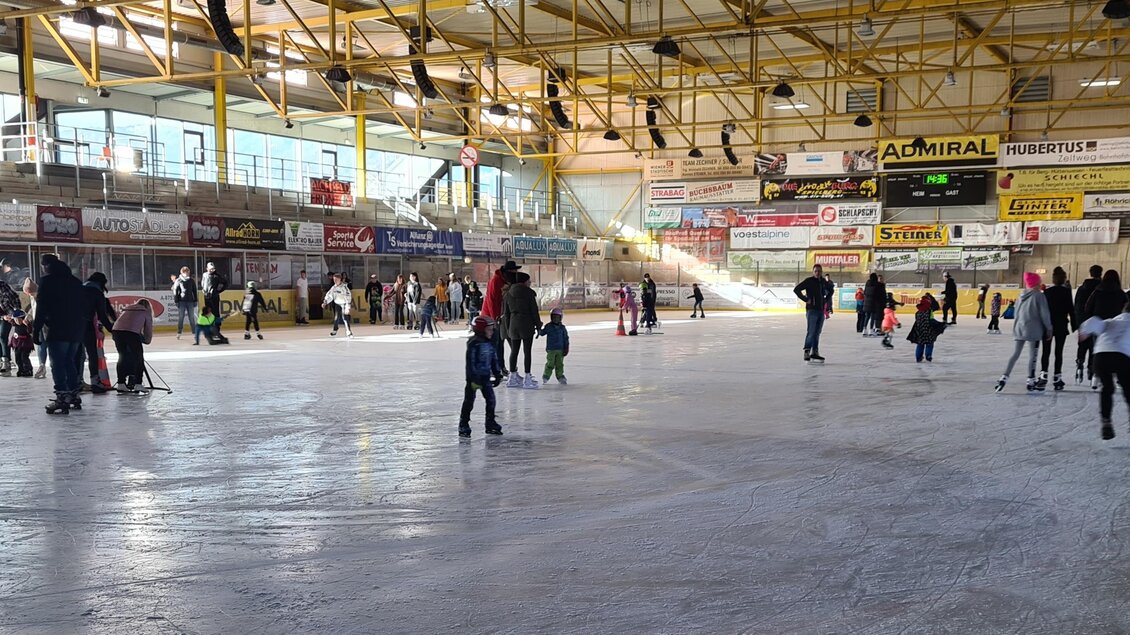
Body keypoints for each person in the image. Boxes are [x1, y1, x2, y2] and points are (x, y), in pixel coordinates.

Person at [33, 254, 86, 414]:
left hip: (58, 328)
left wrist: (36, 330)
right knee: (69, 360)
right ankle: (73, 395)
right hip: (76, 329)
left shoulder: (47, 281)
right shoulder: (75, 282)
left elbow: (41, 308)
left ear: (46, 265)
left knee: (57, 363)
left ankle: (62, 397)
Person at [1078, 292, 1130, 440]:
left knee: (1107, 388)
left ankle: (1106, 422)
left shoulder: (1111, 321)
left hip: (1101, 356)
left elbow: (1094, 321)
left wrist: (1084, 333)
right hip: (1122, 356)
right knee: (1128, 389)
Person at [995, 273, 1053, 392]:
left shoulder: (1021, 295)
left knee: (1015, 354)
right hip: (1034, 329)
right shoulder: (1039, 296)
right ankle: (1030, 380)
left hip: (1019, 328)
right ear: (1036, 283)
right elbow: (1044, 314)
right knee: (1033, 355)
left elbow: (1016, 313)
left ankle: (1004, 377)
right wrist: (1049, 328)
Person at [458, 315, 505, 438]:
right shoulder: (474, 344)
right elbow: (471, 362)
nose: (491, 332)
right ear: (480, 330)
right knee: (469, 402)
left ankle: (490, 423)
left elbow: (494, 360)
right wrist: (473, 378)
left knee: (491, 401)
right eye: (489, 329)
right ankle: (463, 423)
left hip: (485, 378)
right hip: (473, 379)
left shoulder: (489, 343)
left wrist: (497, 374)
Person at [78, 272, 116, 394]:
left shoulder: (79, 289)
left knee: (77, 355)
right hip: (87, 326)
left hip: (73, 326)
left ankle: (76, 382)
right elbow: (102, 315)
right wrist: (112, 330)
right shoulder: (97, 293)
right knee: (92, 354)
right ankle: (95, 382)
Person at [503, 271, 542, 388]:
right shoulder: (529, 293)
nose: (530, 283)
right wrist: (538, 326)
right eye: (529, 281)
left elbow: (506, 313)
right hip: (526, 324)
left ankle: (512, 377)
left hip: (513, 325)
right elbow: (534, 311)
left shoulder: (508, 293)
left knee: (514, 351)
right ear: (524, 282)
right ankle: (527, 378)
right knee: (527, 352)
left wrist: (508, 328)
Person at [1040, 266, 1076, 391]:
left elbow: (1043, 310)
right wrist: (1074, 324)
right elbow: (1071, 309)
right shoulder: (1066, 292)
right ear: (1064, 279)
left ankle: (1043, 375)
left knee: (1046, 351)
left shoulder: (1047, 292)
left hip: (1048, 326)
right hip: (1061, 325)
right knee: (1058, 353)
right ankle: (1057, 377)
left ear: (1053, 279)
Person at [482, 261, 521, 370]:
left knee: (509, 340)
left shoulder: (509, 281)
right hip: (493, 316)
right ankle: (499, 367)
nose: (515, 273)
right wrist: (495, 318)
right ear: (507, 272)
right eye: (514, 271)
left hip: (504, 315)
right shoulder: (496, 281)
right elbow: (492, 301)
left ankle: (509, 367)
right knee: (498, 342)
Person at [110, 298, 153, 392]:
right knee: (139, 358)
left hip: (116, 332)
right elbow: (148, 331)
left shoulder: (127, 310)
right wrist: (146, 340)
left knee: (122, 356)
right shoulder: (145, 312)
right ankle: (138, 383)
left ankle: (121, 383)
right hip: (131, 333)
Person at [1076, 265, 1105, 385]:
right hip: (1097, 321)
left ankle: (1079, 363)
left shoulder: (1082, 288)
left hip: (1083, 321)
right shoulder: (1102, 288)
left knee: (1083, 344)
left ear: (1090, 273)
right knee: (1094, 346)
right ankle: (1091, 369)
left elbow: (1076, 305)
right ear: (1100, 273)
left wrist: (1078, 322)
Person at [793, 264, 828, 363]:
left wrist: (826, 300)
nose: (817, 273)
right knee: (811, 331)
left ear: (821, 272)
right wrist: (805, 299)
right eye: (816, 271)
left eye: (819, 271)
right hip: (811, 310)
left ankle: (815, 352)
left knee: (817, 333)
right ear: (813, 272)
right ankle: (807, 351)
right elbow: (796, 289)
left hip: (820, 311)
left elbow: (831, 289)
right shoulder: (809, 281)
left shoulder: (823, 282)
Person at [22, 279, 47, 379]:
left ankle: (45, 365)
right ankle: (42, 365)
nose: (30, 295)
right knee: (41, 345)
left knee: (46, 345)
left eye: (31, 293)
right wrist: (28, 317)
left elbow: (39, 310)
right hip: (38, 324)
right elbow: (33, 309)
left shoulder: (42, 296)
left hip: (45, 324)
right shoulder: (33, 297)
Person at [909, 297, 946, 362]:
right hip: (928, 331)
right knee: (929, 344)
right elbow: (931, 320)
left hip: (919, 331)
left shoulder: (917, 312)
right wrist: (940, 324)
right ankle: (928, 356)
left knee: (920, 344)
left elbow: (917, 322)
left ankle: (918, 357)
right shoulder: (929, 311)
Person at [541, 308, 570, 385]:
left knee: (559, 364)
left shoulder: (562, 328)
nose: (555, 319)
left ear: (560, 318)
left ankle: (560, 376)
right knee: (550, 363)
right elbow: (542, 333)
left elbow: (566, 338)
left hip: (560, 349)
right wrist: (538, 328)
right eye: (553, 317)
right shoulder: (548, 326)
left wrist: (566, 347)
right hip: (551, 349)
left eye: (557, 317)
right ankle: (546, 376)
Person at [323, 272, 355, 338]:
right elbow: (329, 296)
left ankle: (349, 332)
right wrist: (325, 302)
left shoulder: (344, 287)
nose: (335, 281)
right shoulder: (333, 288)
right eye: (334, 280)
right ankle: (335, 330)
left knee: (345, 318)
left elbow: (348, 297)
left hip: (344, 304)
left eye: (336, 280)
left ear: (340, 279)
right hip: (337, 304)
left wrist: (347, 307)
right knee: (336, 318)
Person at [0, 277, 21, 375]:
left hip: (7, 315)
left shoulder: (2, 285)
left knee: (2, 336)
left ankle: (6, 362)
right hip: (3, 315)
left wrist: (15, 313)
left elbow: (14, 297)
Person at [202, 262, 227, 333]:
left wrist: (218, 291)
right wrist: (203, 289)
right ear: (207, 269)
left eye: (213, 269)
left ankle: (217, 328)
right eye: (210, 269)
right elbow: (203, 283)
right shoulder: (205, 275)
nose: (211, 270)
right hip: (207, 297)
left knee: (215, 312)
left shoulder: (217, 276)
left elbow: (225, 283)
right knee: (208, 313)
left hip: (214, 297)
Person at [173, 267, 199, 340]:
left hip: (190, 301)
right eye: (185, 272)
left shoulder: (191, 281)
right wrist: (176, 301)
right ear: (182, 273)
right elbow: (176, 291)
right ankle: (179, 332)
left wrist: (195, 300)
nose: (186, 273)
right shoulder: (179, 281)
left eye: (187, 272)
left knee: (191, 318)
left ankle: (194, 333)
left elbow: (194, 291)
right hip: (182, 301)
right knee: (181, 317)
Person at [8, 309, 33, 377]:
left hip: (26, 344)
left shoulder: (26, 325)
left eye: (19, 319)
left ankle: (28, 370)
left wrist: (28, 324)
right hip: (17, 344)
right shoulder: (14, 325)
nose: (17, 321)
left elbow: (30, 331)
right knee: (18, 357)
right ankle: (21, 369)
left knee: (24, 357)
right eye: (16, 320)